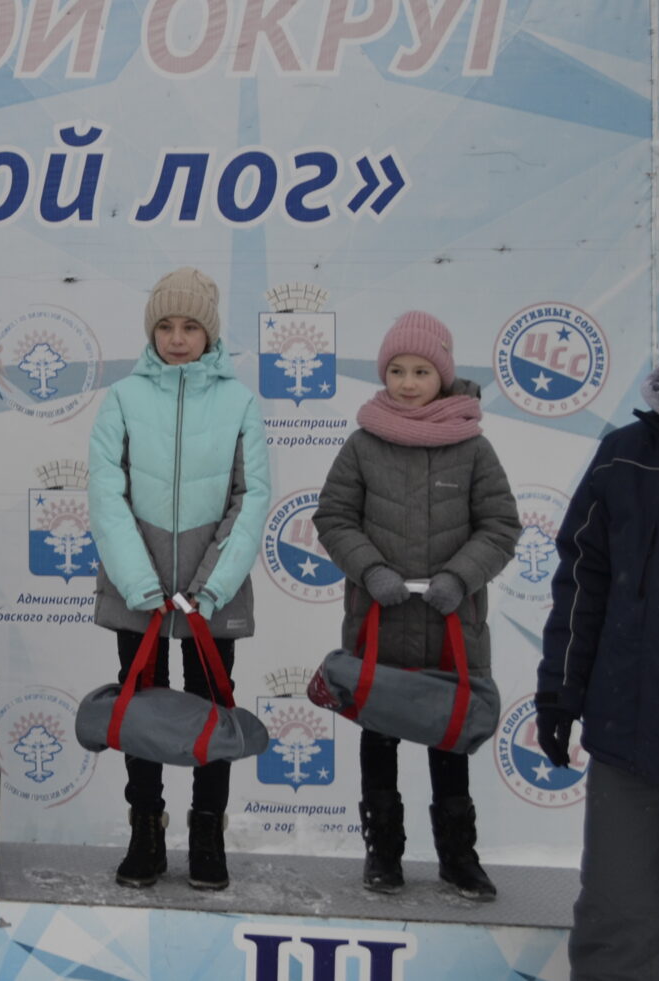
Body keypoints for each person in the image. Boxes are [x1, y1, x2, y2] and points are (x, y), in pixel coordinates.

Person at [540, 275, 659, 978]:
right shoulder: (622, 455)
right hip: (629, 744)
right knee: (617, 926)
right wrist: (561, 693)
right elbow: (583, 585)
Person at [313, 312, 518, 899]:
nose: (407, 382)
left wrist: (460, 577)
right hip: (378, 627)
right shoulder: (362, 443)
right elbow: (333, 517)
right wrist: (371, 570)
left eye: (421, 371)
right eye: (397, 370)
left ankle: (458, 857)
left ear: (444, 376)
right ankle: (383, 855)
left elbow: (501, 525)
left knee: (448, 744)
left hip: (451, 630)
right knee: (378, 743)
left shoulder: (473, 447)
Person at [86, 267, 268, 890]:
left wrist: (210, 588)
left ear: (210, 332)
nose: (178, 337)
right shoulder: (123, 399)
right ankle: (146, 830)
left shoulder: (241, 402)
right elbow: (106, 494)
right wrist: (138, 582)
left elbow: (251, 498)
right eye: (166, 325)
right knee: (141, 709)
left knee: (212, 709)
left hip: (211, 594)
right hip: (136, 590)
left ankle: (208, 834)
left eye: (191, 326)